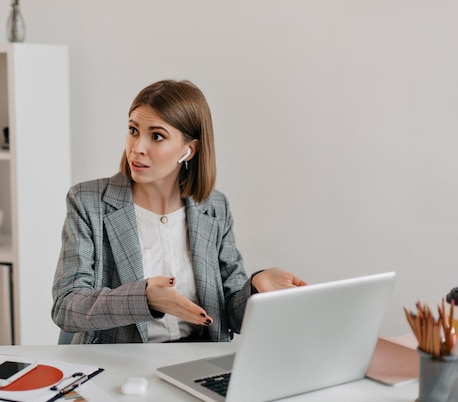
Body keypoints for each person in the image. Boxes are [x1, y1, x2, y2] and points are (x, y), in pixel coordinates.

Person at [52, 79, 306, 344]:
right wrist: (145, 298)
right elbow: (67, 306)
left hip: (195, 360)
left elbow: (231, 314)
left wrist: (257, 288)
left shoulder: (214, 207)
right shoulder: (88, 202)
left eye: (157, 136)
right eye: (133, 130)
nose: (137, 147)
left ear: (189, 150)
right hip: (119, 362)